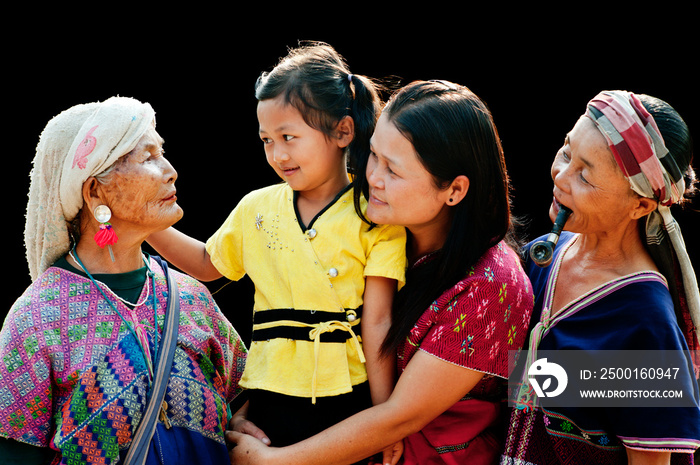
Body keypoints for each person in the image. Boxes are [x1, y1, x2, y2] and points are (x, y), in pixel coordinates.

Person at [226, 79, 535, 465]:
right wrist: (257, 409)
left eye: (394, 170)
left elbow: (399, 417)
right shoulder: (371, 230)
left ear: (454, 190)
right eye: (373, 155)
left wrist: (270, 461)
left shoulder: (493, 285)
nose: (372, 176)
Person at [146, 42, 407, 459]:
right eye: (267, 140)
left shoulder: (375, 214)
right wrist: (150, 226)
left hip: (348, 395)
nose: (277, 153)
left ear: (342, 131)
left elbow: (377, 321)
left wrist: (385, 418)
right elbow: (207, 265)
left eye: (289, 137)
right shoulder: (257, 208)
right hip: (269, 396)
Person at [0, 96, 247, 464]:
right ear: (95, 191)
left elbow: (245, 396)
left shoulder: (191, 298)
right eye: (148, 158)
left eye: (162, 153)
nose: (170, 170)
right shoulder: (37, 320)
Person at [502, 90, 700, 464]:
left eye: (586, 177)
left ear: (640, 205)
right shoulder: (542, 257)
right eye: (565, 152)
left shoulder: (645, 323)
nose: (561, 176)